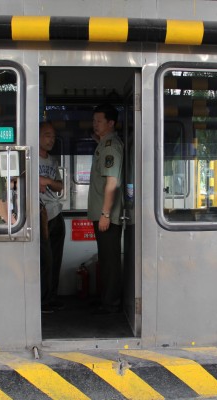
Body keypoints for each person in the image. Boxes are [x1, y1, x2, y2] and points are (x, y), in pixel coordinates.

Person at [88, 104, 124, 314]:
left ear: (111, 123)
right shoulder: (104, 143)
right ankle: (106, 299)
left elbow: (112, 183)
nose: (95, 124)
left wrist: (105, 213)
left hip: (107, 215)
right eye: (94, 121)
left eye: (99, 121)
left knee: (109, 260)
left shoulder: (110, 146)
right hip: (103, 213)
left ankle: (111, 303)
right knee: (105, 257)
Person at [38, 121, 66, 312]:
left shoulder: (52, 161)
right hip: (41, 215)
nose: (51, 140)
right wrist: (44, 182)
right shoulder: (29, 158)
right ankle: (42, 300)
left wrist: (46, 181)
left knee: (55, 260)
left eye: (54, 137)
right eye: (47, 135)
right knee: (45, 260)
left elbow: (59, 186)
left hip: (56, 213)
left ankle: (52, 296)